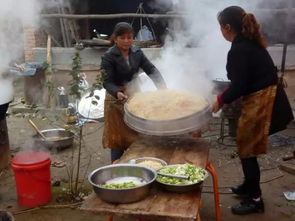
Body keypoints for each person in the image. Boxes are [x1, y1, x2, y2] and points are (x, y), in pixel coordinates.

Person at [212, 6, 293, 215]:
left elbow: (238, 86)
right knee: (244, 144)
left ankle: (255, 200)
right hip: (264, 96)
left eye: (220, 27)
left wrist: (219, 100)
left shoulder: (240, 48)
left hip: (262, 101)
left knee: (248, 149)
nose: (220, 32)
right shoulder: (249, 41)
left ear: (228, 27)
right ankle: (249, 186)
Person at [101, 22, 166, 162]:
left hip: (135, 94)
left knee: (137, 132)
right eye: (122, 38)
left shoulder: (137, 52)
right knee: (117, 136)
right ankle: (117, 166)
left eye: (129, 37)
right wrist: (117, 92)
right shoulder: (108, 56)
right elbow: (107, 81)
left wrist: (162, 88)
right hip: (115, 99)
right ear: (115, 38)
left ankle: (135, 162)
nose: (126, 41)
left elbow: (151, 70)